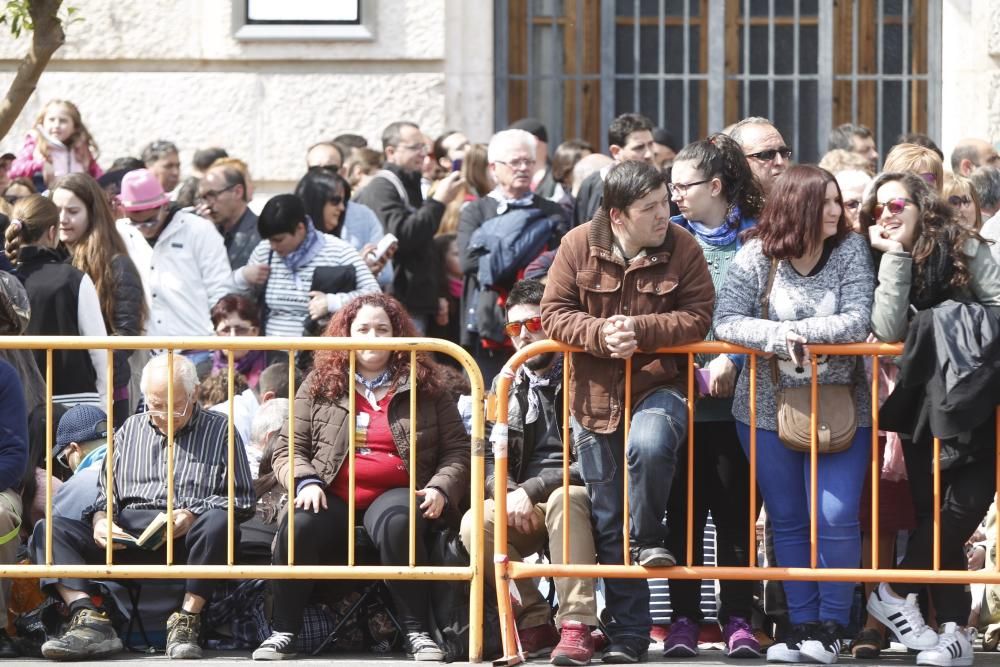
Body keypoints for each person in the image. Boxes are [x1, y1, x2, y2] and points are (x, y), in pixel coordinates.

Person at [541, 160, 714, 663]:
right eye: (651, 208)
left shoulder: (683, 246)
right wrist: (599, 334)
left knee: (652, 443)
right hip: (593, 397)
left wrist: (640, 330)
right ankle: (630, 635)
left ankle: (650, 537)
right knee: (608, 515)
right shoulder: (577, 245)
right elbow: (554, 312)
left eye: (666, 202)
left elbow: (700, 316)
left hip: (660, 385)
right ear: (618, 216)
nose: (665, 214)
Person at [713, 164, 875, 664]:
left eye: (836, 201)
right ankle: (801, 621)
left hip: (843, 406)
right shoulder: (755, 256)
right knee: (785, 518)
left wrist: (800, 333)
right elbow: (726, 319)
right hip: (763, 409)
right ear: (797, 206)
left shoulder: (849, 250)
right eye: (825, 202)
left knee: (836, 514)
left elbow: (859, 317)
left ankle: (834, 622)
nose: (836, 210)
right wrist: (773, 336)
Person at [252, 293, 471, 661]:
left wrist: (440, 487)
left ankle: (417, 632)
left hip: (398, 490)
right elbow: (287, 445)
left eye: (383, 329)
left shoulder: (427, 387)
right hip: (329, 491)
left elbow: (457, 451)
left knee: (399, 521)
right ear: (346, 333)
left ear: (398, 335)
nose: (373, 337)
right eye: (363, 328)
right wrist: (303, 479)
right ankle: (283, 631)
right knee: (299, 524)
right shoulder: (319, 384)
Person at [32, 354, 254, 661]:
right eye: (154, 405)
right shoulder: (129, 429)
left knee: (218, 521)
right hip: (129, 534)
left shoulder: (220, 430)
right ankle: (88, 617)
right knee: (49, 529)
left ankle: (187, 619)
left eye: (173, 406)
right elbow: (104, 494)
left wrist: (192, 515)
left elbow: (241, 500)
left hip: (188, 540)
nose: (162, 415)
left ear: (193, 394)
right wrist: (100, 520)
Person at [863, 171, 1000, 667]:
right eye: (878, 208)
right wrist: (895, 255)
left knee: (967, 504)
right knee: (931, 513)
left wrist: (949, 322)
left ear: (922, 203)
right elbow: (886, 327)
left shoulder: (963, 245)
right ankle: (952, 631)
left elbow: (998, 305)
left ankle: (896, 586)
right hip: (921, 402)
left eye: (897, 203)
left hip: (977, 392)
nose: (888, 214)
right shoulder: (878, 251)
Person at [461, 278, 598, 665]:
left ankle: (576, 625)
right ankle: (535, 618)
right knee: (476, 522)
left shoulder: (584, 375)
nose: (523, 335)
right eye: (513, 327)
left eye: (533, 324)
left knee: (565, 500)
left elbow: (595, 460)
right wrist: (505, 492)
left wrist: (533, 489)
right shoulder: (503, 383)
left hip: (580, 493)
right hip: (521, 500)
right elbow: (485, 455)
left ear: (553, 323)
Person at [664, 134, 765, 659]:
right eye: (672, 185)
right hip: (679, 405)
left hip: (742, 406)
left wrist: (735, 357)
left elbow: (766, 310)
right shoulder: (668, 238)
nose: (675, 195)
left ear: (718, 186)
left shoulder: (756, 237)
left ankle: (739, 619)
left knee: (734, 516)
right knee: (682, 515)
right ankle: (683, 617)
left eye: (684, 185)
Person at [457, 128, 568, 382]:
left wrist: (499, 255)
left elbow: (559, 258)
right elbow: (468, 262)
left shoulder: (551, 211)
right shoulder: (476, 211)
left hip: (538, 318)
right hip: (489, 322)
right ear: (493, 167)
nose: (523, 168)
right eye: (515, 162)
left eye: (529, 161)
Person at [49, 173, 146, 424]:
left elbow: (128, 335)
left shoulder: (117, 265)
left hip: (106, 389)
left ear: (93, 214)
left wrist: (87, 358)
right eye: (56, 210)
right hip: (58, 389)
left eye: (72, 211)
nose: (62, 219)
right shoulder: (49, 262)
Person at [355, 121, 464, 332]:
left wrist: (435, 297)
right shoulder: (382, 187)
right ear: (391, 152)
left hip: (415, 303)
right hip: (397, 304)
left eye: (424, 147)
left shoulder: (409, 184)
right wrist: (438, 202)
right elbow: (401, 236)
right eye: (415, 147)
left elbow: (423, 244)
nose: (423, 154)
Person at [5, 195, 109, 408]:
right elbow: (99, 349)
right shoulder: (73, 279)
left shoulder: (4, 283)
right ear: (53, 232)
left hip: (20, 402)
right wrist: (105, 403)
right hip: (77, 404)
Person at [115, 169, 232, 348]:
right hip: (144, 349)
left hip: (194, 346)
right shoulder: (120, 232)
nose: (144, 228)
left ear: (165, 205)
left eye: (150, 220)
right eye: (135, 222)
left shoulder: (199, 230)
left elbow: (220, 289)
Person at [235, 194, 379, 338]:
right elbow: (237, 301)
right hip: (272, 355)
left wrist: (332, 302)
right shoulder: (264, 252)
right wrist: (243, 277)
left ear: (300, 228)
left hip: (318, 353)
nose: (273, 246)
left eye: (279, 240)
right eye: (269, 240)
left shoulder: (338, 251)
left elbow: (375, 296)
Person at [294, 167, 394, 289]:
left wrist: (361, 270)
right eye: (335, 200)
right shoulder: (288, 239)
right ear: (316, 201)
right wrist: (353, 271)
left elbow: (386, 276)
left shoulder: (340, 244)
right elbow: (304, 284)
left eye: (343, 201)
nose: (342, 208)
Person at [573, 112, 656, 228]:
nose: (649, 154)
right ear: (616, 151)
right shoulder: (592, 185)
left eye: (651, 145)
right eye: (639, 147)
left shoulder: (663, 183)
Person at [8, 100, 102, 189]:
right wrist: (40, 165)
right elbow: (13, 170)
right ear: (42, 122)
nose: (56, 125)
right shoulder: (36, 143)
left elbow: (99, 177)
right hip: (44, 201)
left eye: (63, 121)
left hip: (74, 201)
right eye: (51, 120)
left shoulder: (80, 148)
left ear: (75, 126)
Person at [50, 404, 109, 521]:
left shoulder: (75, 487)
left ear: (75, 448)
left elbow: (55, 530)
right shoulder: (137, 463)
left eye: (64, 458)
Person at [197, 163, 260, 269]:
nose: (207, 204)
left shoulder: (261, 233)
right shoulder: (207, 230)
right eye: (204, 197)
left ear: (237, 192)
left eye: (212, 195)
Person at [210, 294, 267, 388]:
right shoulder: (203, 371)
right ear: (217, 334)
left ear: (255, 332)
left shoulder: (277, 365)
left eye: (240, 330)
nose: (233, 337)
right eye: (225, 330)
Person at [727, 117, 791, 196]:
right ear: (738, 162)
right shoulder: (724, 207)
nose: (780, 162)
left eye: (783, 152)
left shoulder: (804, 205)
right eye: (766, 155)